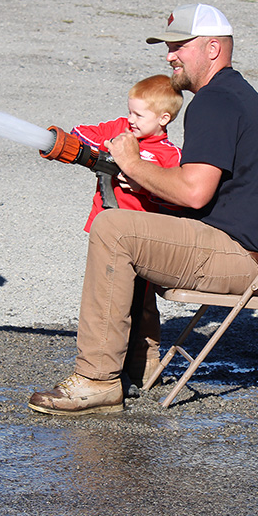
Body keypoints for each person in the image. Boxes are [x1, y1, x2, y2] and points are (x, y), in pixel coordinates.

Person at [29, 3, 258, 415]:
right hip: (253, 252)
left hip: (243, 258)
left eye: (179, 46)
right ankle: (141, 363)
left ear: (212, 49)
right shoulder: (232, 95)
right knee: (133, 225)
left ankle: (97, 380)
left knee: (114, 229)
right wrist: (141, 179)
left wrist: (134, 164)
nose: (170, 55)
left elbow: (193, 192)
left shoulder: (215, 102)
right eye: (168, 46)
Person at [71, 74, 183, 386]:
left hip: (144, 242)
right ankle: (109, 369)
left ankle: (143, 369)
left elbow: (174, 198)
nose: (130, 120)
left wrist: (142, 183)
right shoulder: (120, 131)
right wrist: (108, 150)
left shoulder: (168, 155)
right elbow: (80, 133)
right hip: (106, 233)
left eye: (139, 115)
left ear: (164, 119)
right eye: (129, 111)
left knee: (141, 306)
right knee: (107, 301)